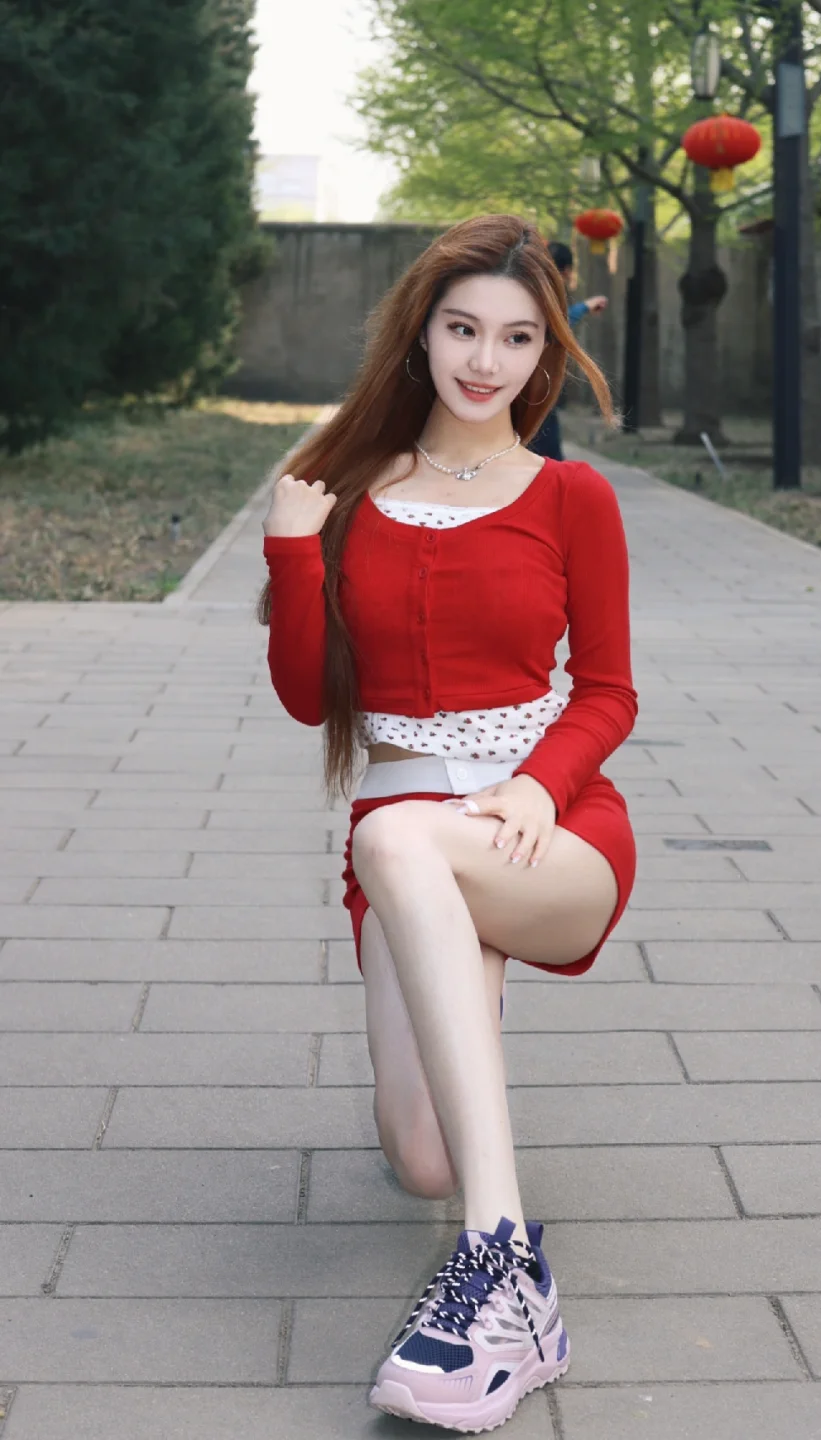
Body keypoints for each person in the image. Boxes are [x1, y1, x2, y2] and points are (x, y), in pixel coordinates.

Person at [259, 214, 636, 1433]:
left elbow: (611, 691)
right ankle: (460, 1016)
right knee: (418, 1157)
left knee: (395, 836)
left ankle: (504, 1271)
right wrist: (293, 554)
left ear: (546, 354)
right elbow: (309, 697)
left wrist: (539, 786)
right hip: (407, 836)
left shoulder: (572, 496)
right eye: (464, 329)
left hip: (544, 835)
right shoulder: (350, 492)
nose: (486, 361)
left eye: (518, 339)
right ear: (418, 334)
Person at [528, 239, 608, 461]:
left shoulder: (526, 288)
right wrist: (585, 307)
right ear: (566, 271)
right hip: (536, 387)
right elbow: (556, 325)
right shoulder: (542, 295)